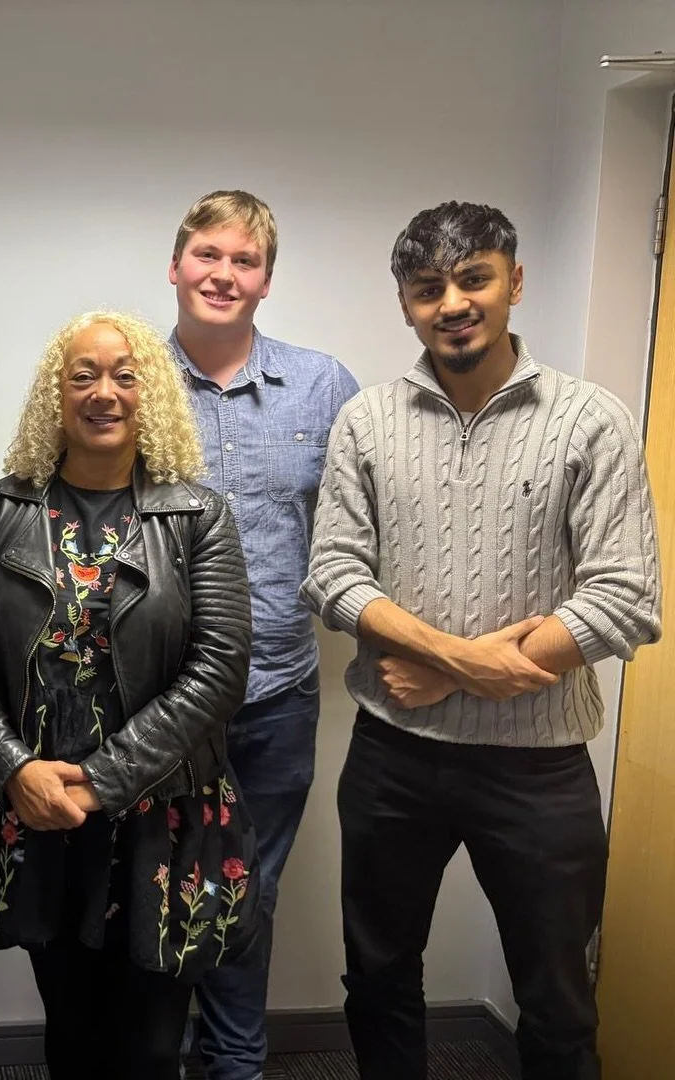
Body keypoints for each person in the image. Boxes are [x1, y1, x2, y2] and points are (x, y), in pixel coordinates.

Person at [301, 201, 663, 1080]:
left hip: (539, 770)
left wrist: (453, 676)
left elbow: (626, 598)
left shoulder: (591, 419)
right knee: (379, 978)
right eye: (429, 288)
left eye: (473, 279)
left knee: (557, 1002)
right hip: (395, 758)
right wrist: (458, 661)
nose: (452, 303)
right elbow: (333, 576)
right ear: (406, 303)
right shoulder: (368, 421)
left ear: (514, 282)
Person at [0, 310, 256, 1080]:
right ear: (58, 394)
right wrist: (15, 768)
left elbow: (220, 665)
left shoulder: (197, 514)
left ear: (150, 395)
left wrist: (104, 780)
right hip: (43, 812)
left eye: (125, 374)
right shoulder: (0, 510)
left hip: (166, 814)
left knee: (151, 1044)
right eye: (83, 374)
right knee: (73, 1032)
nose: (104, 391)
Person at [166, 189, 360, 1080]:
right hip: (155, 706)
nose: (224, 274)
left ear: (266, 281)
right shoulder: (127, 380)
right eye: (209, 254)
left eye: (244, 261)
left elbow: (364, 534)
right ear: (177, 266)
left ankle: (235, 1065)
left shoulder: (323, 387)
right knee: (156, 890)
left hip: (276, 696)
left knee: (249, 892)